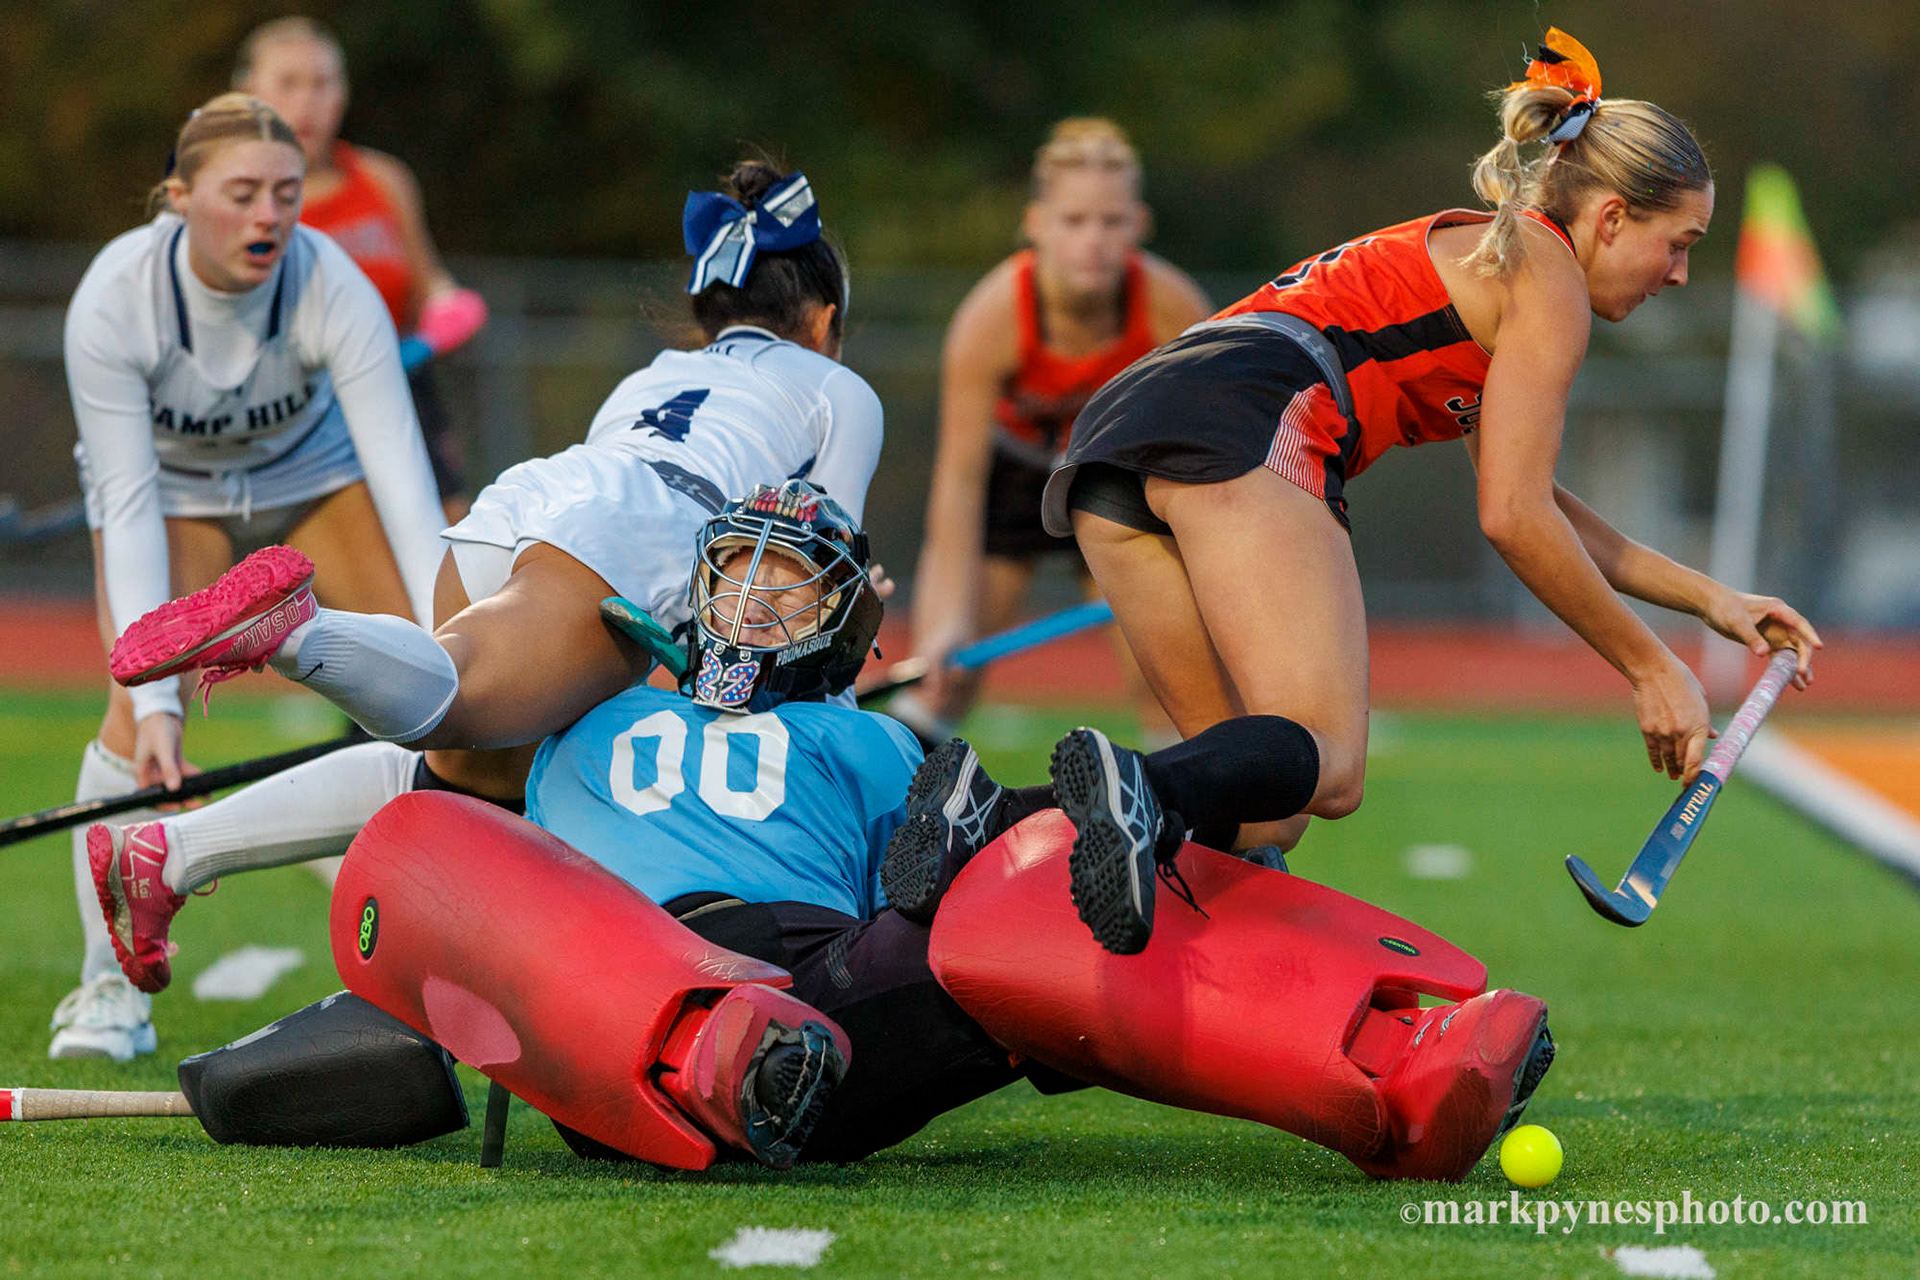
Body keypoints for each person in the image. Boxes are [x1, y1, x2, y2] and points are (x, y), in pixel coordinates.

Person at [336, 482, 1554, 1177]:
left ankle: (1397, 1062)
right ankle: (743, 1028)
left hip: (824, 999)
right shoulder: (595, 719)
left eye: (788, 581)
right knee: (455, 838)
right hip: (628, 997)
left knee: (1046, 906)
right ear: (689, 596)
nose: (756, 595)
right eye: (737, 573)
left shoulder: (828, 736)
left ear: (846, 621)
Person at [1034, 30, 1822, 955]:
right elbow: (1513, 520)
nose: (1681, 273)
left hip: (1124, 438)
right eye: (1678, 243)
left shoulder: (1503, 258)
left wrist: (1713, 603)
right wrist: (1652, 668)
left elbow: (1534, 497)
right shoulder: (1549, 279)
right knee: (1327, 769)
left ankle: (990, 816)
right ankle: (1129, 800)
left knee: (1253, 811)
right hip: (1247, 417)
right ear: (1611, 217)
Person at [87, 163, 885, 1002]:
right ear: (825, 319)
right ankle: (296, 634)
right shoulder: (839, 389)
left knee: (467, 776)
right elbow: (807, 566)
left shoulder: (646, 378)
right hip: (646, 529)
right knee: (459, 694)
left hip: (528, 501)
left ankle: (168, 856)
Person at [51, 93, 448, 1060]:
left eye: (284, 192)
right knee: (137, 696)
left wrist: (456, 637)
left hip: (315, 479)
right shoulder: (114, 299)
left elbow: (401, 472)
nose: (271, 215)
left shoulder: (331, 281)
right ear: (180, 199)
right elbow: (133, 503)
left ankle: (453, 962)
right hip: (175, 497)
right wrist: (157, 715)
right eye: (242, 195)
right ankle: (108, 990)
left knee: (445, 698)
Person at [897, 119, 1212, 748]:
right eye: (1073, 221)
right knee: (944, 678)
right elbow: (959, 486)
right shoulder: (990, 320)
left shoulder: (1175, 309)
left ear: (1139, 225)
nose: (1093, 241)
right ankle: (890, 821)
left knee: (1173, 682)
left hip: (1117, 480)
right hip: (1012, 481)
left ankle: (1189, 838)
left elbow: (1206, 464)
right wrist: (942, 623)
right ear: (1037, 223)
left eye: (1111, 221)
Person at [234, 16, 488, 521]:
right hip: (297, 412)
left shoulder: (383, 180)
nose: (307, 101)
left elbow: (426, 281)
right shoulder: (239, 198)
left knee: (455, 542)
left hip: (402, 392)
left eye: (322, 83)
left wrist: (446, 305)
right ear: (248, 92)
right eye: (288, 83)